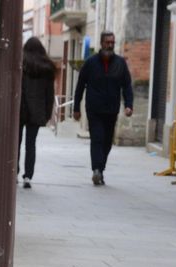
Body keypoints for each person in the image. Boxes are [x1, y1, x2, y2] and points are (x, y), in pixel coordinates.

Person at [72, 31, 134, 186]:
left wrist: (128, 105)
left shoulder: (120, 63)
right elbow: (80, 86)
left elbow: (126, 85)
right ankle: (96, 170)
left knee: (107, 142)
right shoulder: (90, 63)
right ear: (101, 43)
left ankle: (100, 169)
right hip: (94, 109)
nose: (110, 45)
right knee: (97, 139)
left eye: (112, 42)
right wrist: (76, 108)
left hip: (111, 110)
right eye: (107, 42)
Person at [18, 37, 56, 189]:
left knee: (16, 143)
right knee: (31, 144)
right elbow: (50, 94)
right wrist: (47, 113)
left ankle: (14, 172)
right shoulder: (46, 67)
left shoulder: (22, 64)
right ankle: (28, 176)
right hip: (37, 111)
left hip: (21, 109)